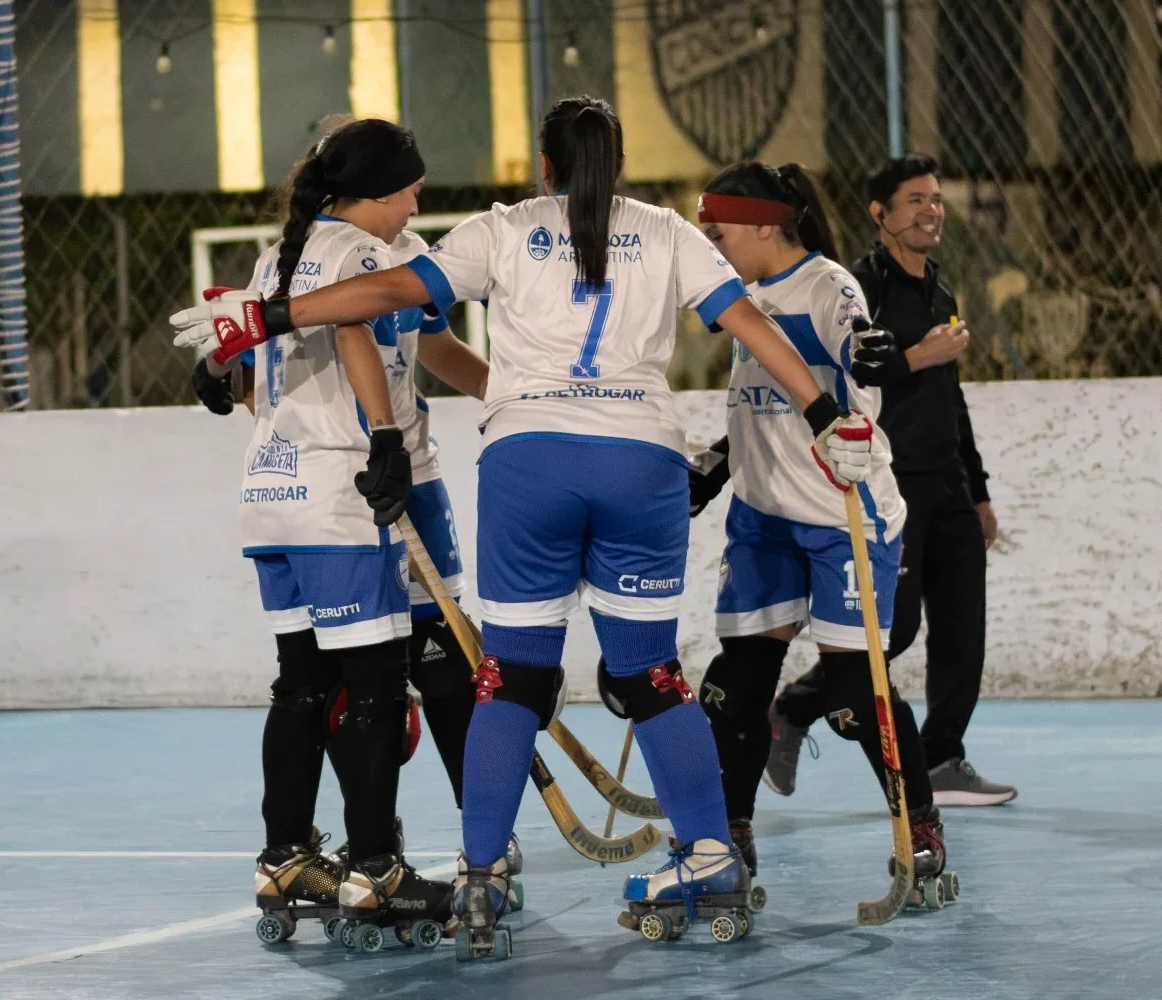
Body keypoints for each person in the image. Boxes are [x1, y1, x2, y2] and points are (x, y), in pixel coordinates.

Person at [171, 95, 875, 958]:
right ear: (618, 166)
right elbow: (749, 321)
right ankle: (708, 856)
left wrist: (270, 316)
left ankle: (478, 874)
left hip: (527, 463)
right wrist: (825, 415)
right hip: (641, 460)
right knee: (653, 674)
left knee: (506, 678)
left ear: (545, 167)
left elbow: (389, 292)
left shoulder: (502, 228)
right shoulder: (665, 231)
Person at [186, 119, 457, 941]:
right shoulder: (363, 254)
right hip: (339, 496)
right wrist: (386, 439)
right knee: (374, 690)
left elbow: (251, 375)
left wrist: (222, 377)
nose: (415, 205)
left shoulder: (279, 255)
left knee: (301, 684)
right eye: (410, 190)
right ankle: (376, 869)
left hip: (272, 491)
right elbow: (353, 332)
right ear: (377, 191)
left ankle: (286, 857)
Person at [685, 161, 947, 888]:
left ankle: (919, 820)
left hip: (841, 515)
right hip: (764, 517)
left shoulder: (829, 285)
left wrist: (872, 348)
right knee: (738, 687)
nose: (712, 247)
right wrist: (718, 463)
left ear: (764, 226)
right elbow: (764, 406)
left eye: (719, 232)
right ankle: (730, 834)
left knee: (856, 693)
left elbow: (857, 343)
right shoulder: (740, 296)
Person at [762, 154, 1016, 807]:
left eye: (936, 199)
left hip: (948, 483)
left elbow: (951, 399)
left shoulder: (941, 290)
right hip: (889, 485)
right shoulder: (857, 289)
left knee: (963, 631)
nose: (931, 211)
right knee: (892, 632)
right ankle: (793, 708)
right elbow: (851, 379)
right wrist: (920, 355)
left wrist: (979, 490)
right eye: (915, 201)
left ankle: (944, 756)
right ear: (880, 214)